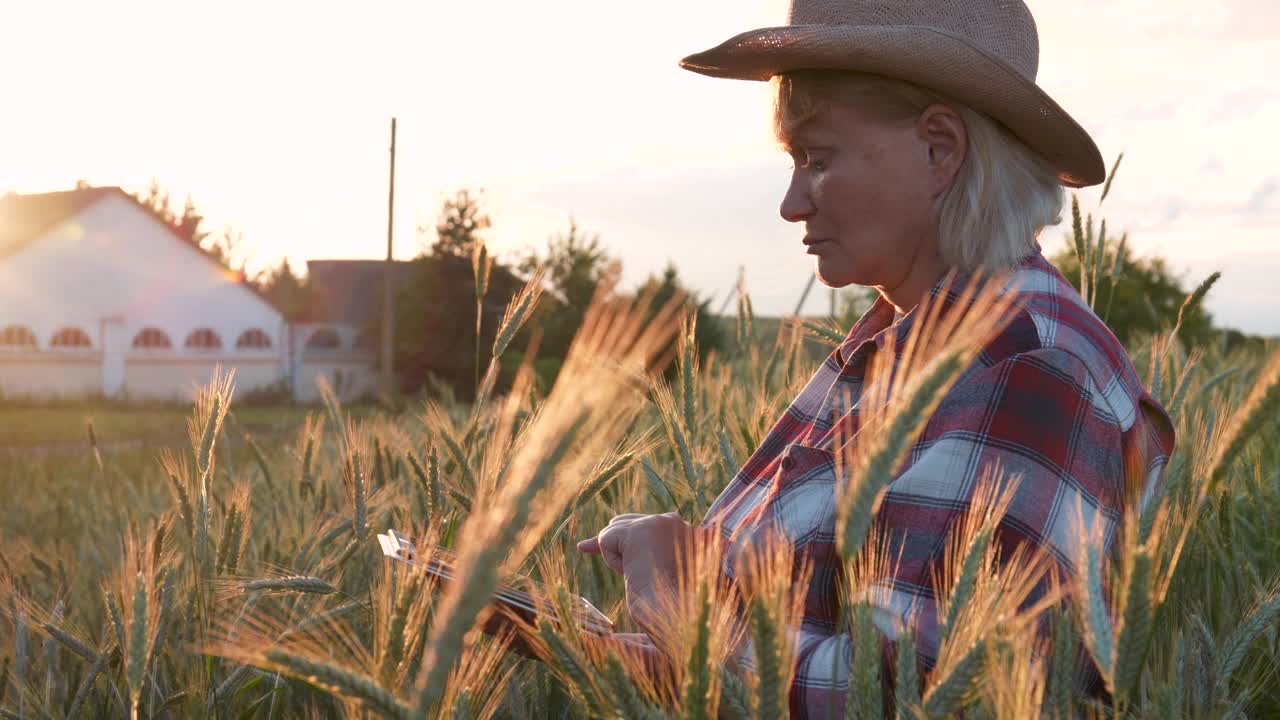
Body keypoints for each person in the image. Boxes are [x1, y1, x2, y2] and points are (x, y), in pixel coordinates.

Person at [576, 0, 1176, 715]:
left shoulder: (1025, 370)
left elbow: (906, 694)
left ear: (939, 149)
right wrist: (646, 615)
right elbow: (809, 620)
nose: (792, 204)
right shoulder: (903, 341)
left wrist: (678, 607)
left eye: (817, 159)